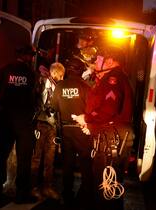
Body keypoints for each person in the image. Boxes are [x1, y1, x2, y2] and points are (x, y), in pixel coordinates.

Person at [72, 46, 134, 210]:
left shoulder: (113, 78)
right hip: (110, 137)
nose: (96, 62)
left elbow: (109, 109)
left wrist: (86, 118)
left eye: (99, 59)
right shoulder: (113, 77)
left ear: (111, 61)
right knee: (108, 185)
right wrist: (91, 126)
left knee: (105, 186)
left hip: (110, 140)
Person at [0, 45, 37, 204]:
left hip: (6, 119)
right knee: (24, 159)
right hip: (23, 121)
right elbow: (34, 96)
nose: (32, 58)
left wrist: (6, 92)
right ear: (26, 56)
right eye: (31, 55)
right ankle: (22, 194)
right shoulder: (30, 73)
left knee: (1, 155)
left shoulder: (5, 70)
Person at [51, 58, 93, 209]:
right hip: (82, 130)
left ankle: (67, 194)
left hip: (66, 131)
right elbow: (91, 110)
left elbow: (54, 106)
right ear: (81, 70)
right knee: (85, 164)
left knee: (67, 165)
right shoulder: (86, 86)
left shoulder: (60, 86)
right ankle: (86, 195)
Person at [31, 62, 65, 200]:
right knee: (36, 158)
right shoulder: (43, 81)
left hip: (52, 126)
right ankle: (33, 187)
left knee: (50, 159)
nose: (62, 78)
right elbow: (41, 99)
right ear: (55, 73)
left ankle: (47, 187)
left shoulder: (57, 85)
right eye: (61, 75)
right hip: (41, 123)